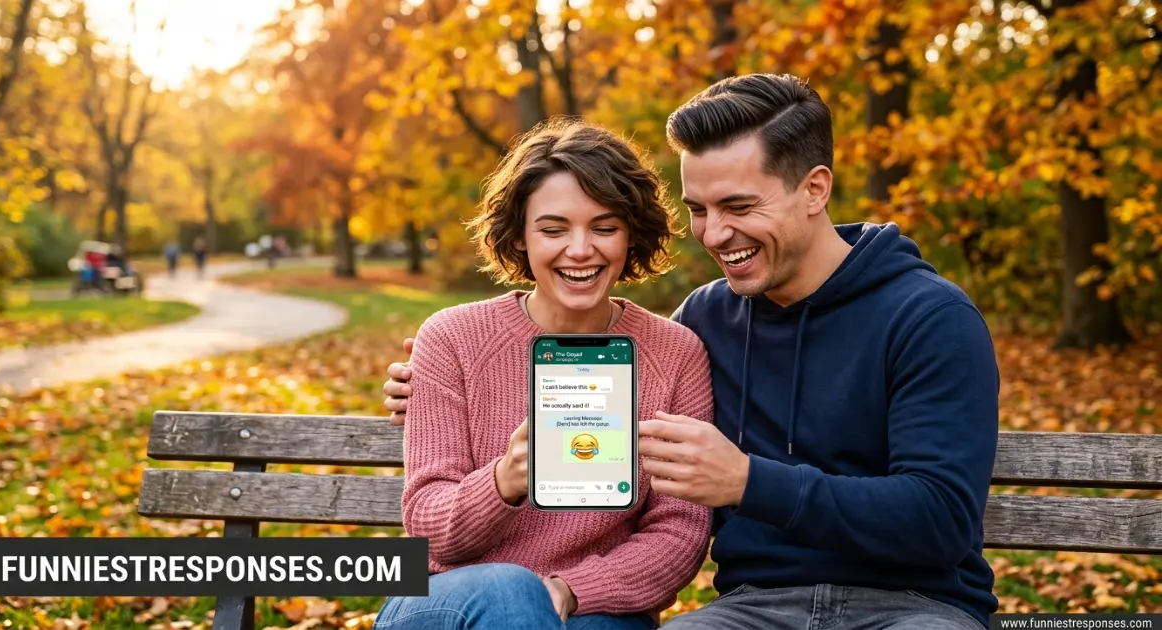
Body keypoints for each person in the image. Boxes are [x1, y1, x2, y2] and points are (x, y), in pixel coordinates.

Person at [383, 73, 1000, 630]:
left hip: (914, 607)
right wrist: (441, 395)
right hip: (751, 609)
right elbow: (433, 514)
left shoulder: (929, 318)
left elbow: (942, 518)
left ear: (815, 189)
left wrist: (748, 482)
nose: (713, 233)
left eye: (737, 206)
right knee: (514, 598)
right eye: (699, 210)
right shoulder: (708, 320)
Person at [373, 119, 715, 630]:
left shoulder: (675, 354)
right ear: (520, 237)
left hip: (595, 608)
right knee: (511, 590)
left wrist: (570, 589)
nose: (580, 250)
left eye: (604, 227)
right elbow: (428, 529)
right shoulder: (453, 338)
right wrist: (503, 482)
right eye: (553, 230)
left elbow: (678, 534)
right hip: (449, 601)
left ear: (631, 235)